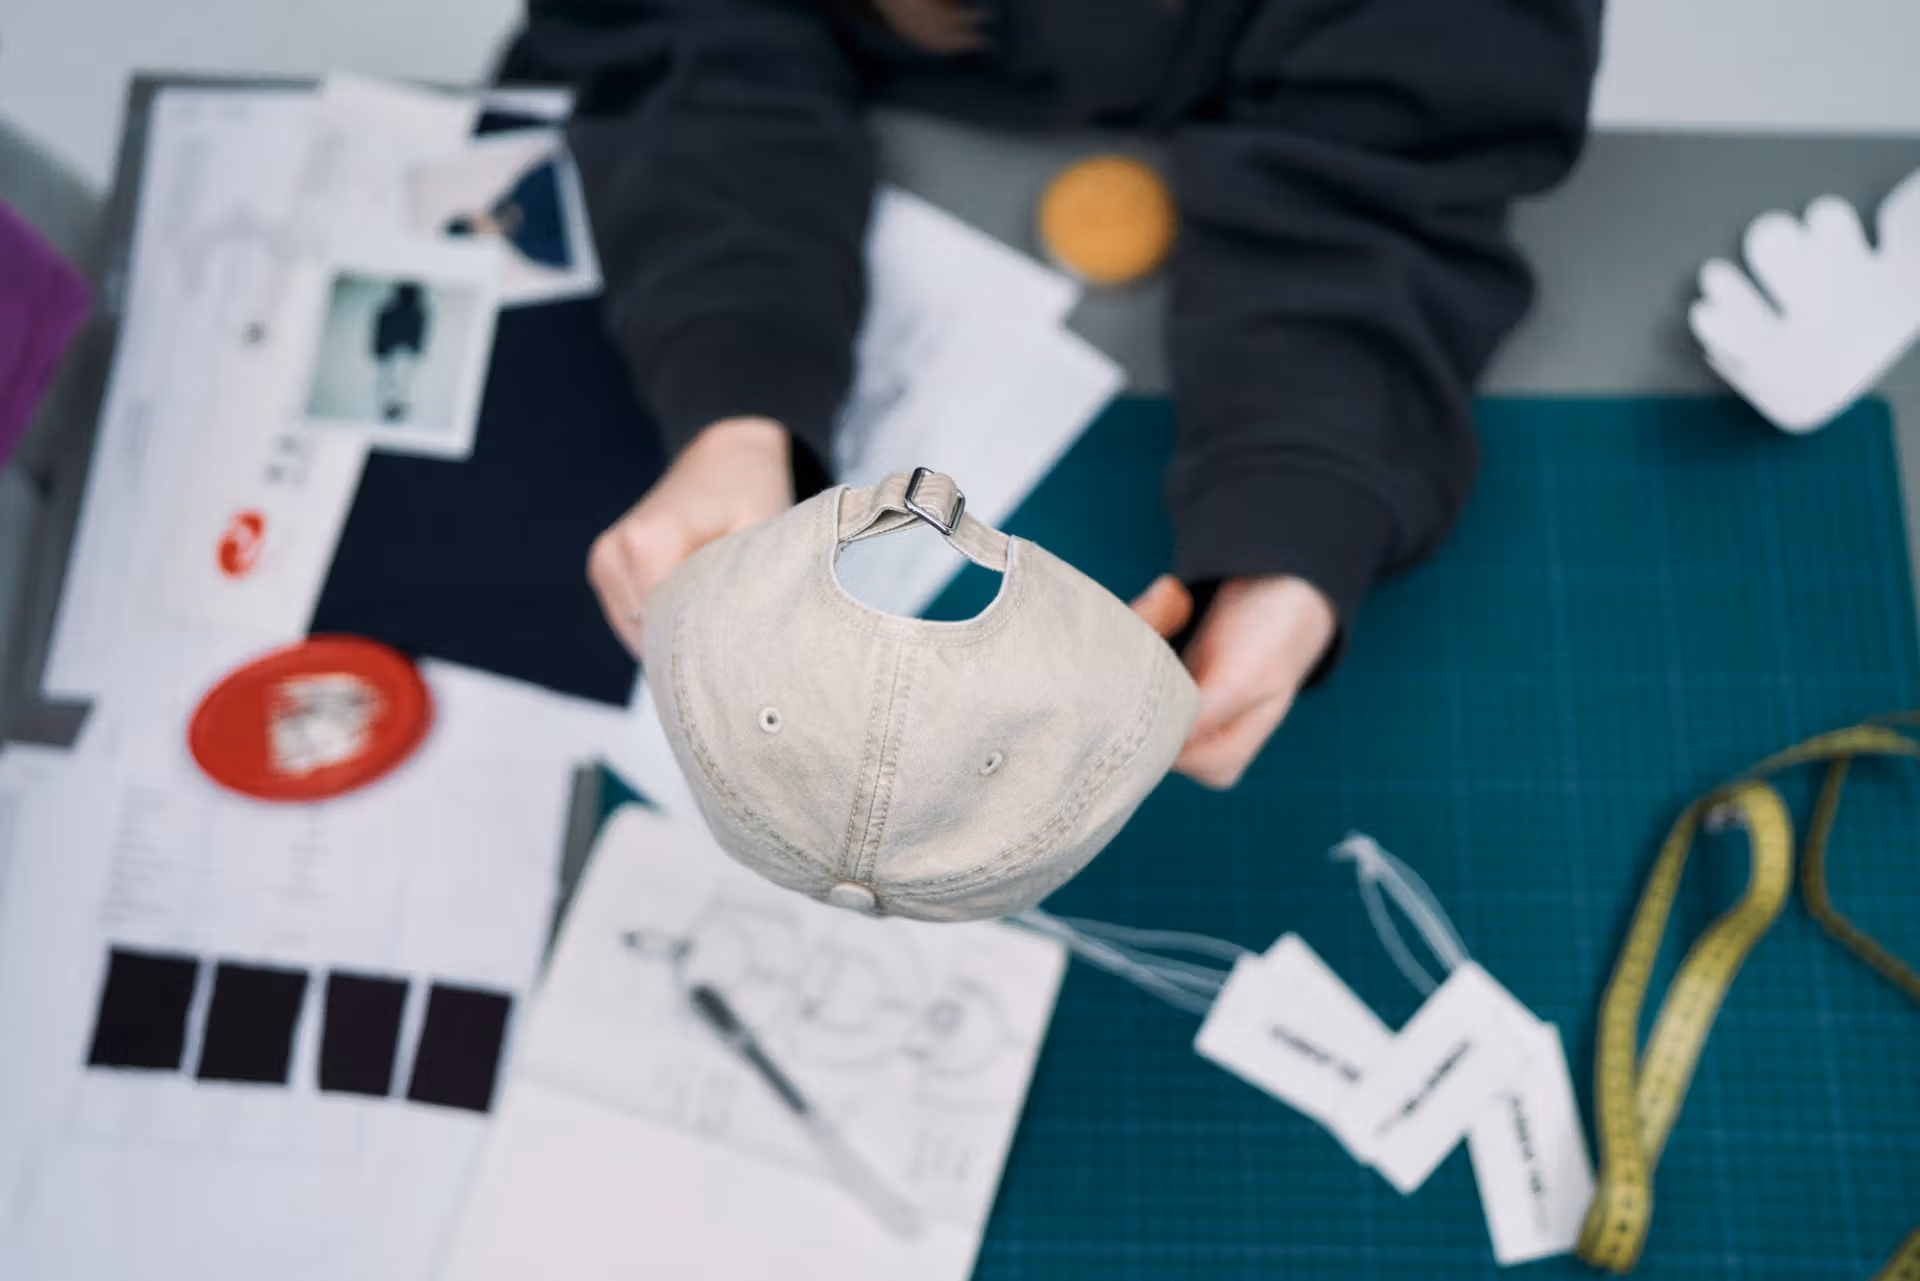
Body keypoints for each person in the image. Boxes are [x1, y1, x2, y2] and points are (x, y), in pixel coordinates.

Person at [507, 0, 1603, 788]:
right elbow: (669, 34)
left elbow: (1404, 138)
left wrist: (1300, 511)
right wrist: (736, 390)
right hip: (770, 138)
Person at [444, 156, 574, 270]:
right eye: (476, 232)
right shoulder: (531, 247)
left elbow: (564, 166)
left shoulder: (524, 190)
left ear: (474, 215)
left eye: (473, 223)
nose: (482, 227)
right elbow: (577, 252)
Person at [371, 281, 431, 422]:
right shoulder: (414, 314)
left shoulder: (390, 387)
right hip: (402, 348)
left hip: (397, 348)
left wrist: (380, 349)